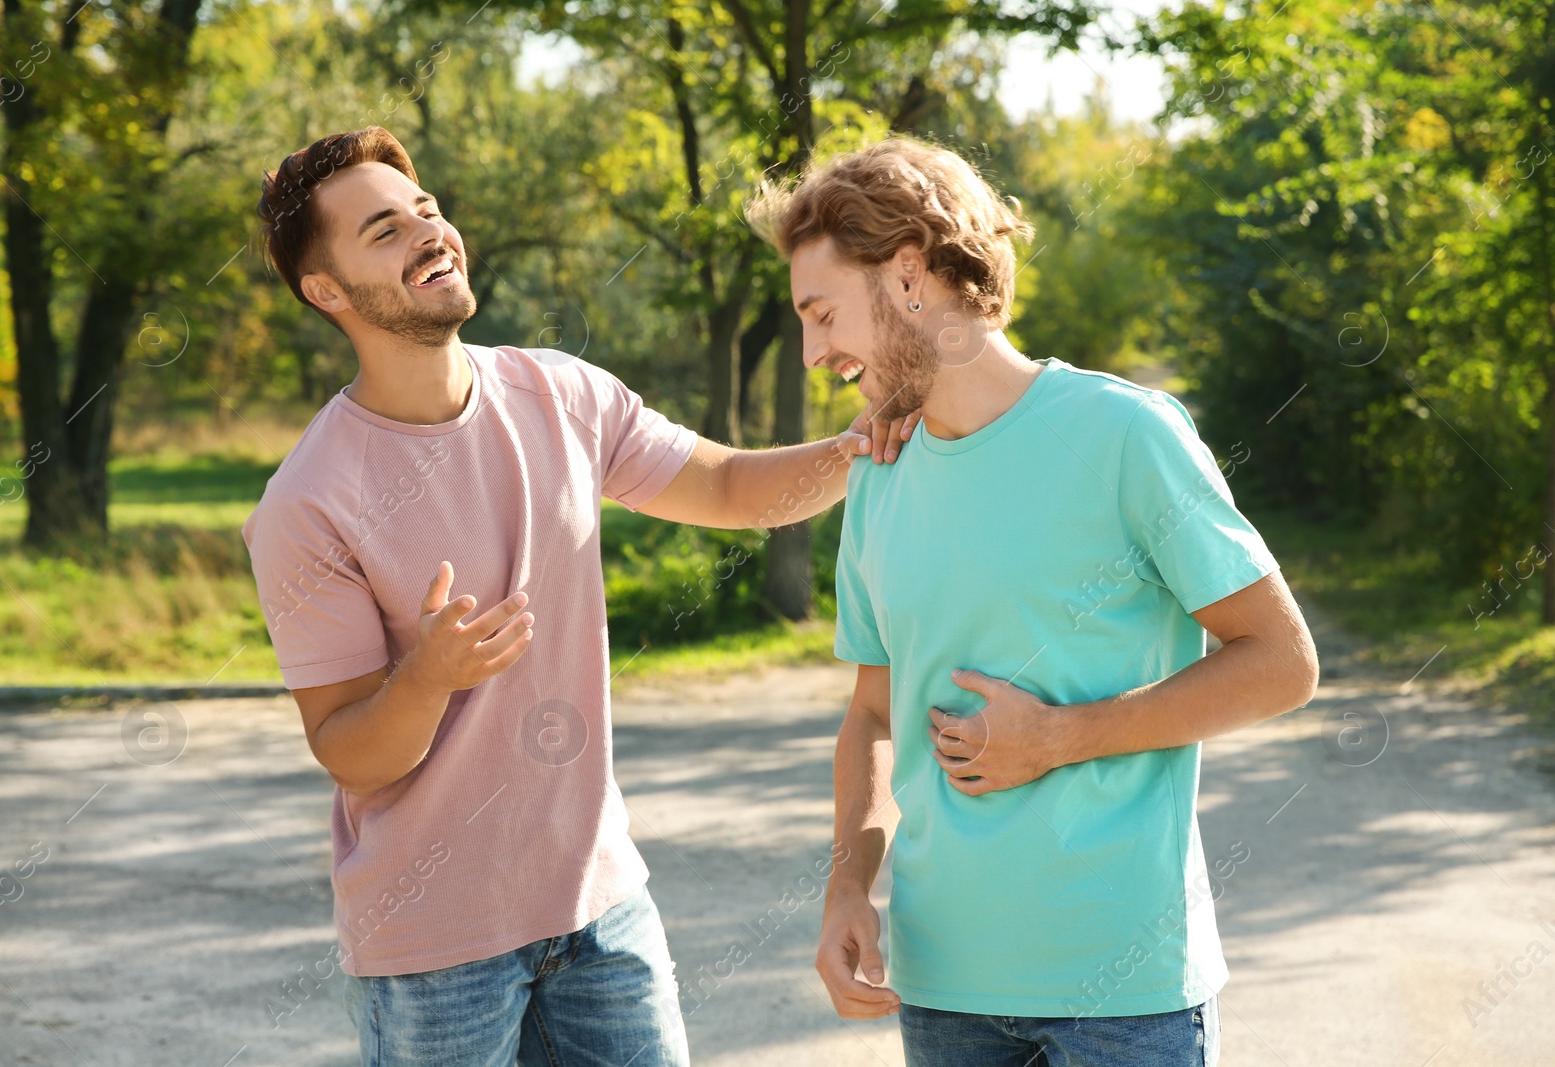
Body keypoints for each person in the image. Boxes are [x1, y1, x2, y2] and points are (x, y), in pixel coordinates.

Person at [240, 126, 911, 1067]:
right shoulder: (306, 505)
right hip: (434, 952)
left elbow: (727, 488)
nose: (430, 232)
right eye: (384, 231)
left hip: (604, 912)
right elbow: (351, 750)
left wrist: (857, 446)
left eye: (427, 210)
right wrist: (429, 677)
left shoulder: (559, 393)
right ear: (326, 290)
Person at [745, 135, 1320, 1066]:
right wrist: (847, 887)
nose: (813, 354)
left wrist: (1066, 735)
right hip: (943, 992)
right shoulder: (880, 477)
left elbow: (1283, 662)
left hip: (1125, 996)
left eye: (822, 315)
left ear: (908, 274)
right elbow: (876, 716)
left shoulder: (1124, 433)